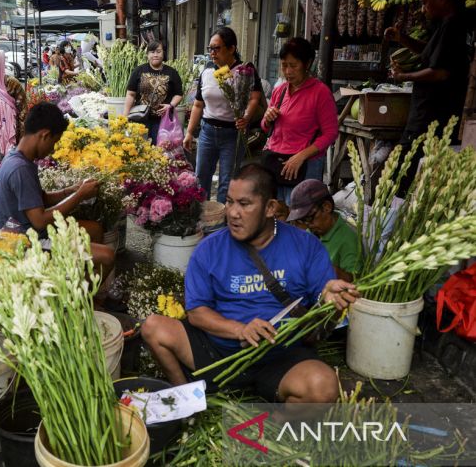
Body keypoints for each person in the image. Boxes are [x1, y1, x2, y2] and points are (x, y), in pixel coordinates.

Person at [141, 164, 359, 402]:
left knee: (323, 387)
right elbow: (197, 313)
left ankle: (272, 422)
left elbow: (323, 299)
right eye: (230, 202)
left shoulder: (305, 246)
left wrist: (329, 299)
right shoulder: (209, 249)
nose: (233, 212)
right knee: (154, 327)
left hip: (280, 356)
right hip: (219, 354)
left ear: (270, 208)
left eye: (244, 204)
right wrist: (239, 330)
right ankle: (187, 400)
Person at [0, 102, 115, 283]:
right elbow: (40, 221)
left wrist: (70, 191)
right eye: (55, 142)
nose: (53, 150)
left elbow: (40, 199)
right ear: (45, 135)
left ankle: (79, 286)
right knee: (107, 256)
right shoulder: (20, 169)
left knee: (95, 230)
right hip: (24, 243)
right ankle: (80, 301)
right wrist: (80, 195)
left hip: (29, 232)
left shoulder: (18, 157)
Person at [385, 0, 470, 196]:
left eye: (425, 2)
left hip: (430, 118)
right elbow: (430, 53)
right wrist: (402, 38)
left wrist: (403, 76)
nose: (423, 9)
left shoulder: (453, 26)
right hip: (425, 116)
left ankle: (394, 219)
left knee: (402, 173)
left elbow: (440, 72)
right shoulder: (444, 26)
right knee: (405, 171)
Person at [183, 27, 264, 204]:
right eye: (210, 48)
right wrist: (189, 132)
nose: (212, 53)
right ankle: (200, 217)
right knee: (201, 177)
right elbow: (198, 104)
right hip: (207, 132)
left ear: (231, 48)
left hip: (233, 134)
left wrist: (246, 117)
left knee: (227, 182)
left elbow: (254, 98)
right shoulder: (207, 71)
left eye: (216, 48)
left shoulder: (244, 71)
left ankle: (221, 223)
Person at [261, 37, 338, 204]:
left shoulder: (320, 92)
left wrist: (301, 156)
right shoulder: (279, 90)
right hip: (276, 162)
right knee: (275, 213)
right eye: (284, 65)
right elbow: (268, 129)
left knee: (298, 216)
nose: (288, 71)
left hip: (305, 166)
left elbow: (331, 133)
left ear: (307, 64)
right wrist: (267, 119)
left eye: (293, 66)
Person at [288, 179, 361, 282]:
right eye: (303, 220)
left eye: (309, 218)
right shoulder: (313, 231)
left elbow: (355, 280)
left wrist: (329, 269)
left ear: (327, 207)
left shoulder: (348, 239)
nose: (308, 225)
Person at [123, 41, 183, 146]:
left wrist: (171, 105)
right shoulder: (139, 71)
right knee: (138, 148)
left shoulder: (172, 72)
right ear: (147, 54)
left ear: (163, 53)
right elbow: (130, 94)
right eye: (152, 52)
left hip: (162, 120)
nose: (155, 55)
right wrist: (125, 116)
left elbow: (178, 94)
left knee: (159, 149)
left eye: (158, 52)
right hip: (140, 118)